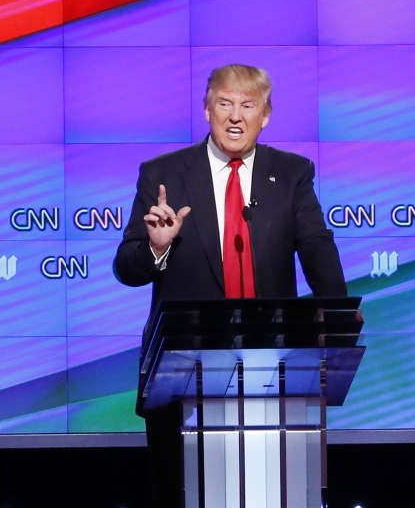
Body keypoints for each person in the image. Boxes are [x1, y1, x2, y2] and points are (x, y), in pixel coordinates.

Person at [113, 64, 347, 508]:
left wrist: (335, 317)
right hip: (181, 376)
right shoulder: (164, 174)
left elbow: (316, 245)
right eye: (224, 103)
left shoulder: (292, 172)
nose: (235, 116)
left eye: (248, 105)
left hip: (272, 371)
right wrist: (157, 248)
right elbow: (126, 267)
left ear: (266, 115)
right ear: (207, 110)